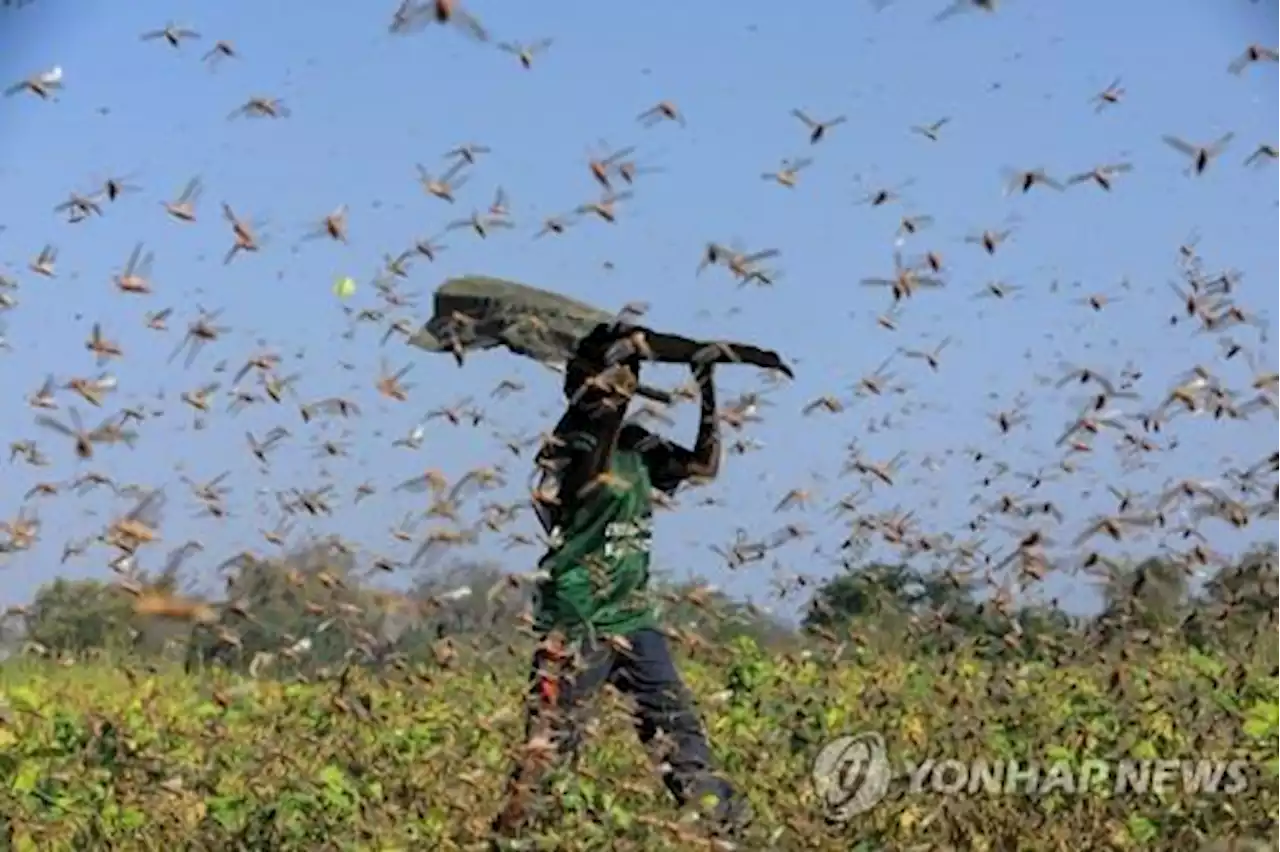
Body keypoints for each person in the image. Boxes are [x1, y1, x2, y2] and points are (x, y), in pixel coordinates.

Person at [491, 323, 751, 842]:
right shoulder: (565, 446)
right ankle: (510, 840)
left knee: (681, 739)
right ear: (585, 386)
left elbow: (702, 466)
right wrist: (613, 392)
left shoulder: (637, 443)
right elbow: (591, 480)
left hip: (633, 618)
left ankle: (727, 832)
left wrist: (706, 386)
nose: (627, 382)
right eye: (618, 373)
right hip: (576, 621)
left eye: (631, 374)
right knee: (548, 754)